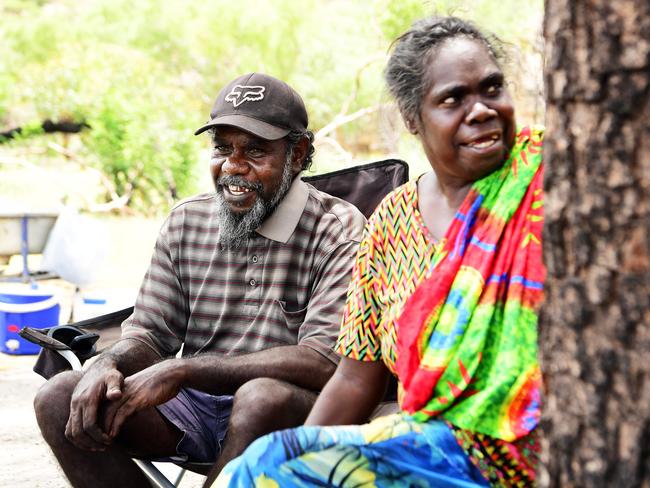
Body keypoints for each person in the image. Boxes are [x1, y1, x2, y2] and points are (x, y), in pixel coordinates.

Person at [215, 16, 544, 487]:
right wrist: (299, 462)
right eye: (453, 98)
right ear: (413, 118)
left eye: (492, 89)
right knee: (261, 468)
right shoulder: (392, 222)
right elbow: (354, 378)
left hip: (543, 449)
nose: (481, 110)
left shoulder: (544, 180)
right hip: (430, 454)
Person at [33, 72, 367, 488]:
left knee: (262, 397)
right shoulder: (187, 221)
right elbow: (150, 336)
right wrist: (108, 362)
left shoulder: (339, 229)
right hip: (191, 409)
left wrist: (184, 371)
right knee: (60, 395)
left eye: (255, 151)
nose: (233, 166)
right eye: (222, 147)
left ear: (297, 154)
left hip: (290, 414)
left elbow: (324, 362)